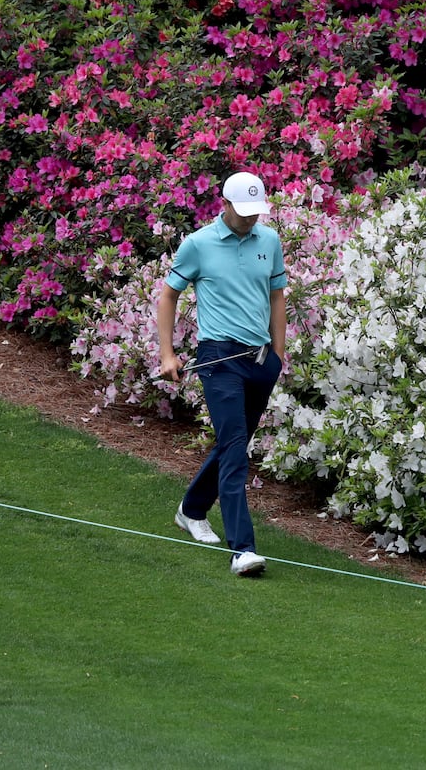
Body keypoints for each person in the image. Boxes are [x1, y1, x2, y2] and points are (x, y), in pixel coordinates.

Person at [157, 171, 288, 576]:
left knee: (233, 442)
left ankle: (191, 509)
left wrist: (277, 356)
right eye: (243, 212)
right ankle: (242, 549)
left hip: (260, 360)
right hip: (219, 359)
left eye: (256, 212)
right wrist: (167, 354)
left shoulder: (269, 240)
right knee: (235, 450)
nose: (251, 219)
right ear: (225, 205)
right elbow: (168, 295)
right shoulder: (198, 244)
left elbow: (277, 295)